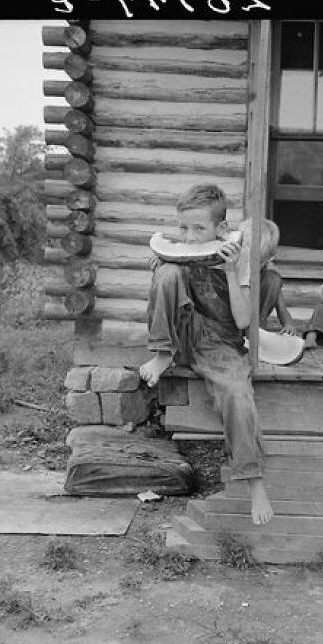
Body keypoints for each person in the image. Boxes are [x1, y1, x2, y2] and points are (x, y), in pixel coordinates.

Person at [139, 184, 273, 526]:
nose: (190, 236)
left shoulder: (237, 259)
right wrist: (161, 271)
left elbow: (243, 321)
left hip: (221, 344)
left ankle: (254, 479)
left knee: (238, 395)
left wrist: (229, 273)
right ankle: (161, 354)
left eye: (200, 229)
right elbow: (165, 302)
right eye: (184, 227)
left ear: (221, 230)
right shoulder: (176, 255)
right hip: (183, 338)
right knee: (167, 272)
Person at [238, 217, 296, 335]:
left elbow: (281, 307)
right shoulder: (232, 265)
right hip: (232, 321)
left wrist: (288, 324)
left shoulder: (268, 272)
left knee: (273, 279)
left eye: (262, 261)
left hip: (254, 324)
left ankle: (256, 330)